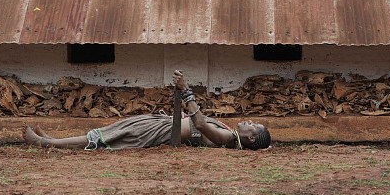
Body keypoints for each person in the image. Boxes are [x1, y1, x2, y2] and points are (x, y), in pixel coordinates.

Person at [22, 70, 271, 150]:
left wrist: (187, 93)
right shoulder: (232, 135)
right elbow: (197, 124)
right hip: (162, 125)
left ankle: (48, 144)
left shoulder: (228, 138)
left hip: (158, 134)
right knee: (109, 131)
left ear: (251, 137)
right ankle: (51, 139)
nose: (249, 121)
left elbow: (202, 125)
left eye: (254, 125)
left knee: (106, 137)